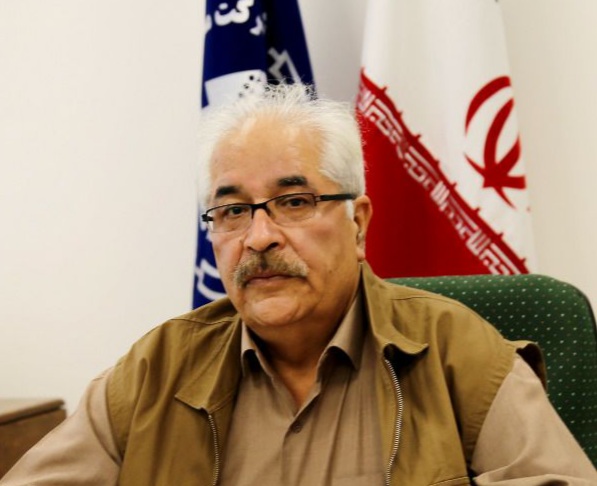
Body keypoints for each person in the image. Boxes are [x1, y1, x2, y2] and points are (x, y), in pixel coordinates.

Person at [2, 83, 596, 486]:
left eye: (293, 202)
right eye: (233, 211)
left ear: (358, 223)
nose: (258, 237)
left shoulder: (459, 356)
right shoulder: (154, 373)